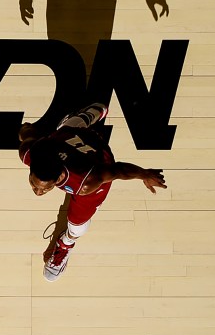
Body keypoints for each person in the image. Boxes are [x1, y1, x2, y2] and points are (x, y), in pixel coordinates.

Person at [19, 103, 167, 280]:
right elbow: (27, 132)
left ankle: (65, 245)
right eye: (34, 185)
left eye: (45, 188)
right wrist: (25, 129)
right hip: (70, 137)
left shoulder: (87, 182)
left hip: (99, 157)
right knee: (65, 130)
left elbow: (117, 170)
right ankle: (85, 117)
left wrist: (144, 174)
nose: (38, 192)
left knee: (77, 226)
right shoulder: (30, 152)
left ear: (58, 179)